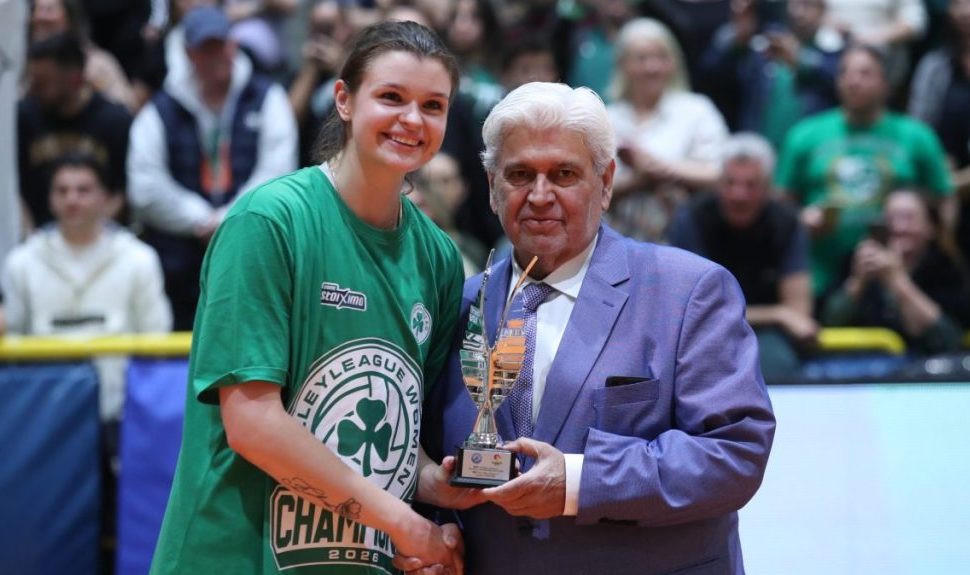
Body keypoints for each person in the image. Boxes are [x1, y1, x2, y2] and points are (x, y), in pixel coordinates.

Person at [412, 82, 776, 574]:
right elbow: (428, 458)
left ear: (605, 183)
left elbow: (734, 454)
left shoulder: (689, 291)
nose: (540, 195)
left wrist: (578, 481)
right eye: (520, 174)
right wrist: (440, 534)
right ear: (493, 187)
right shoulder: (458, 304)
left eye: (564, 174)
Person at [149, 20, 472, 574]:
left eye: (433, 106)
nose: (412, 120)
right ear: (344, 99)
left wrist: (436, 484)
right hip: (230, 558)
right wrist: (402, 523)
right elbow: (253, 424)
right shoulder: (268, 222)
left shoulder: (439, 257)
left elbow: (394, 439)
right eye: (391, 97)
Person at [127, 4, 297, 330]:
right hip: (180, 261)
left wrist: (230, 218)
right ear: (189, 54)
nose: (216, 56)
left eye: (221, 46)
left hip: (251, 249)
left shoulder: (267, 97)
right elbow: (145, 186)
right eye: (206, 49)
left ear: (234, 45)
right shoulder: (162, 108)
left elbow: (278, 172)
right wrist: (198, 218)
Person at [1, 152, 172, 421]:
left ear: (105, 197)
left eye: (83, 190)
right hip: (45, 410)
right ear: (50, 198)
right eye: (62, 190)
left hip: (121, 409)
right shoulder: (22, 262)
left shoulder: (139, 258)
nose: (72, 199)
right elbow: (13, 339)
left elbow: (157, 339)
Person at [776, 44, 954, 299]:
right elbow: (781, 206)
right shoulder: (804, 135)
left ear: (886, 84)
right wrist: (802, 220)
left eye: (865, 73)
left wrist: (940, 245)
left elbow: (944, 198)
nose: (853, 81)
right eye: (844, 72)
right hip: (821, 275)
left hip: (901, 277)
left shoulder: (917, 136)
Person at [669, 133, 817, 380]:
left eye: (751, 185)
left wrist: (781, 316)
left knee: (775, 362)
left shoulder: (787, 222)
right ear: (717, 183)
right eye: (730, 183)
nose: (739, 195)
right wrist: (777, 314)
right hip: (702, 333)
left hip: (768, 336)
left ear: (768, 187)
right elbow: (694, 312)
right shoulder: (692, 219)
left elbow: (799, 313)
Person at [607, 17, 728, 242]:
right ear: (623, 64)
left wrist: (657, 168)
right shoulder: (607, 118)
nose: (652, 67)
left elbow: (720, 173)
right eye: (641, 58)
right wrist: (639, 179)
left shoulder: (697, 110)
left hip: (684, 239)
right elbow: (591, 189)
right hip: (618, 237)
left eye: (662, 57)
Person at [822, 188, 970, 355]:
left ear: (930, 227)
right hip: (863, 364)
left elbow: (949, 340)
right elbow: (828, 324)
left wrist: (897, 281)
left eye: (909, 218)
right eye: (891, 218)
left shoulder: (947, 269)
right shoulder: (855, 261)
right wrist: (858, 281)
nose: (900, 227)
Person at [18, 32, 132, 231]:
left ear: (75, 80)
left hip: (102, 234)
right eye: (32, 81)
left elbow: (123, 192)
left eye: (42, 83)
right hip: (37, 236)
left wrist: (86, 236)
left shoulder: (115, 122)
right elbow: (13, 189)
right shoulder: (24, 117)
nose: (33, 90)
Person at [700, 0, 843, 148]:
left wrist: (802, 60)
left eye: (807, 5)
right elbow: (710, 73)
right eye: (795, 3)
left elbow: (840, 80)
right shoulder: (767, 41)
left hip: (810, 148)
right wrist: (737, 40)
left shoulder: (834, 48)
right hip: (759, 146)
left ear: (822, 10)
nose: (799, 12)